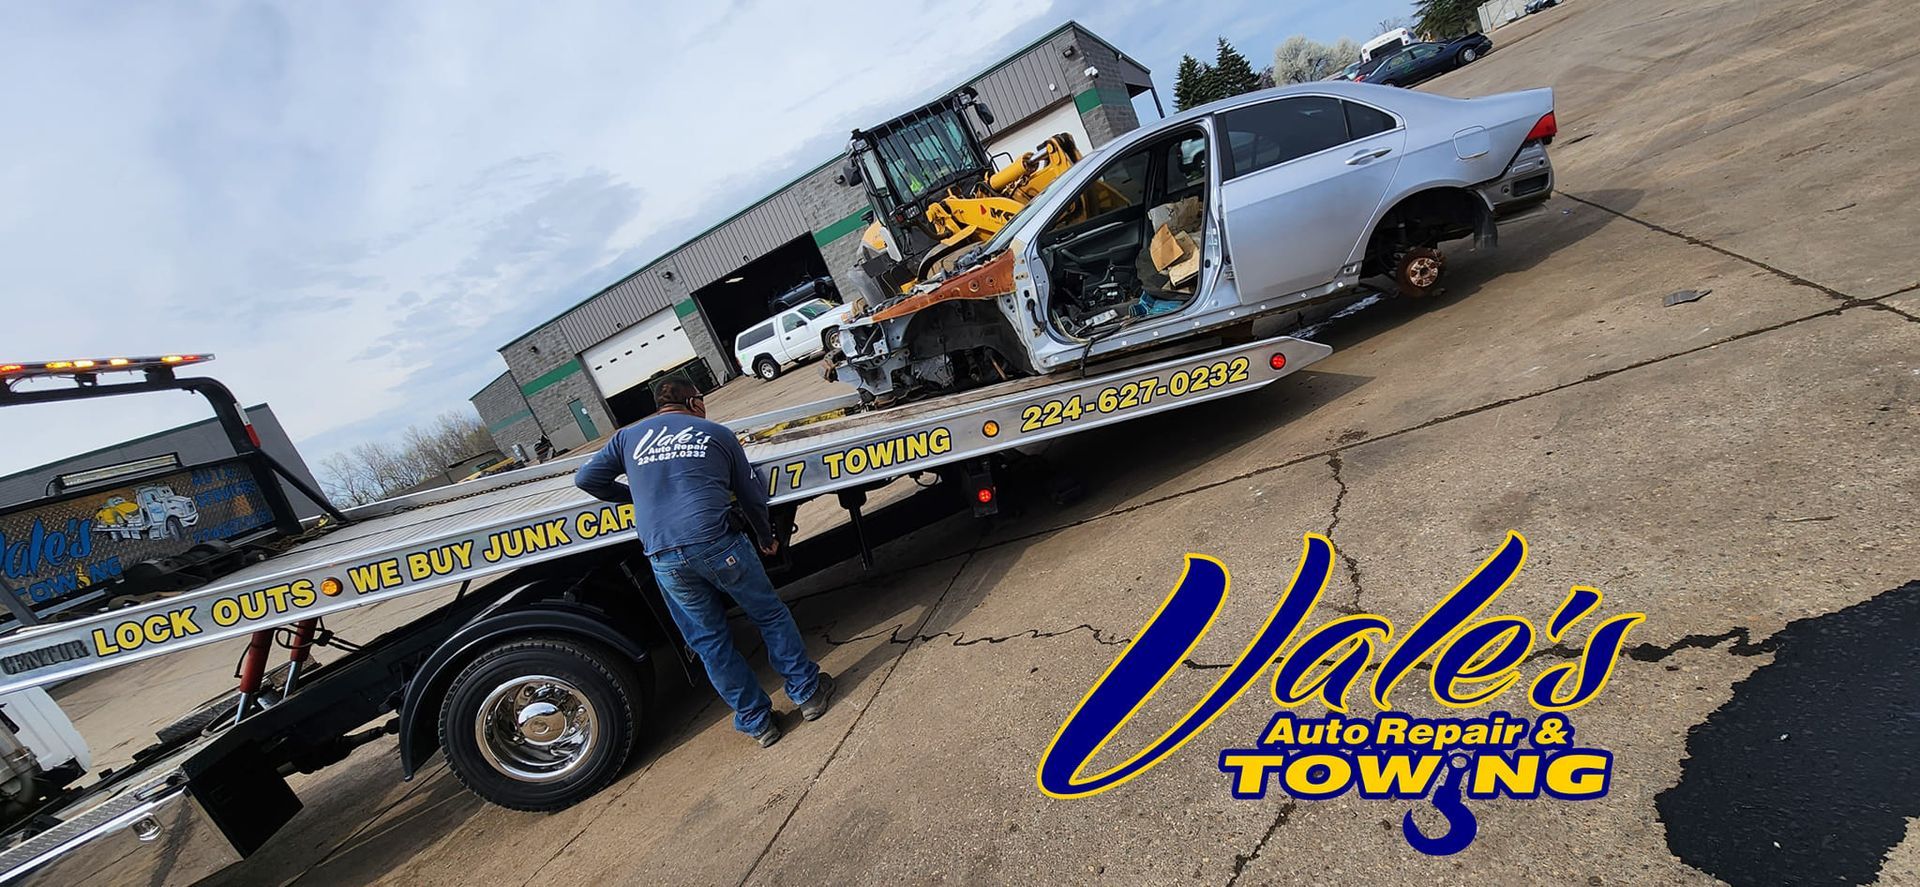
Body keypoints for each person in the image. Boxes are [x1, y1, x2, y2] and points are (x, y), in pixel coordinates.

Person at [573, 379, 833, 747]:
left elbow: (586, 478)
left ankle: (758, 723)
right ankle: (807, 694)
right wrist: (765, 536)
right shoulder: (715, 433)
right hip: (717, 543)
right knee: (770, 615)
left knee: (710, 643)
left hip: (664, 555)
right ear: (693, 402)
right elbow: (749, 494)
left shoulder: (627, 438)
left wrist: (631, 495)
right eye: (703, 401)